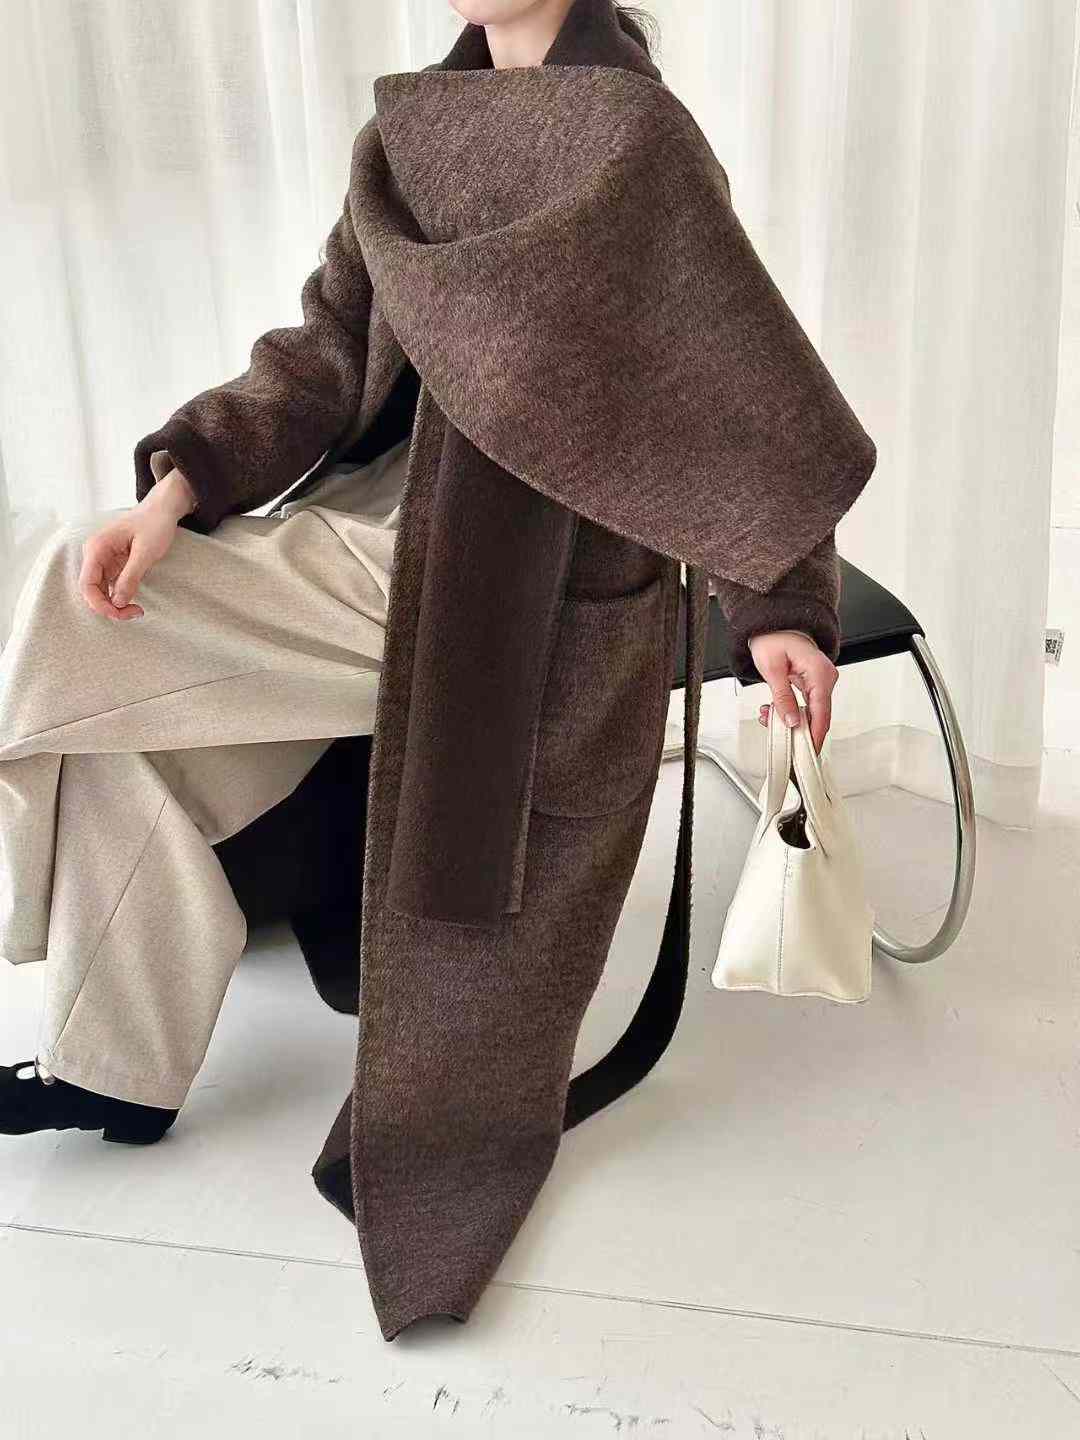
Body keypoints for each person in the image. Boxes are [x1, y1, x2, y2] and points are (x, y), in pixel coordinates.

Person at [0, 0, 843, 1144]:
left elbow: (731, 383)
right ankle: (110, 1068)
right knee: (123, 717)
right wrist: (177, 490)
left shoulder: (636, 139)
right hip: (373, 527)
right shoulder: (406, 135)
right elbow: (323, 354)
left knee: (68, 599)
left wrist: (778, 601)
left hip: (522, 581)